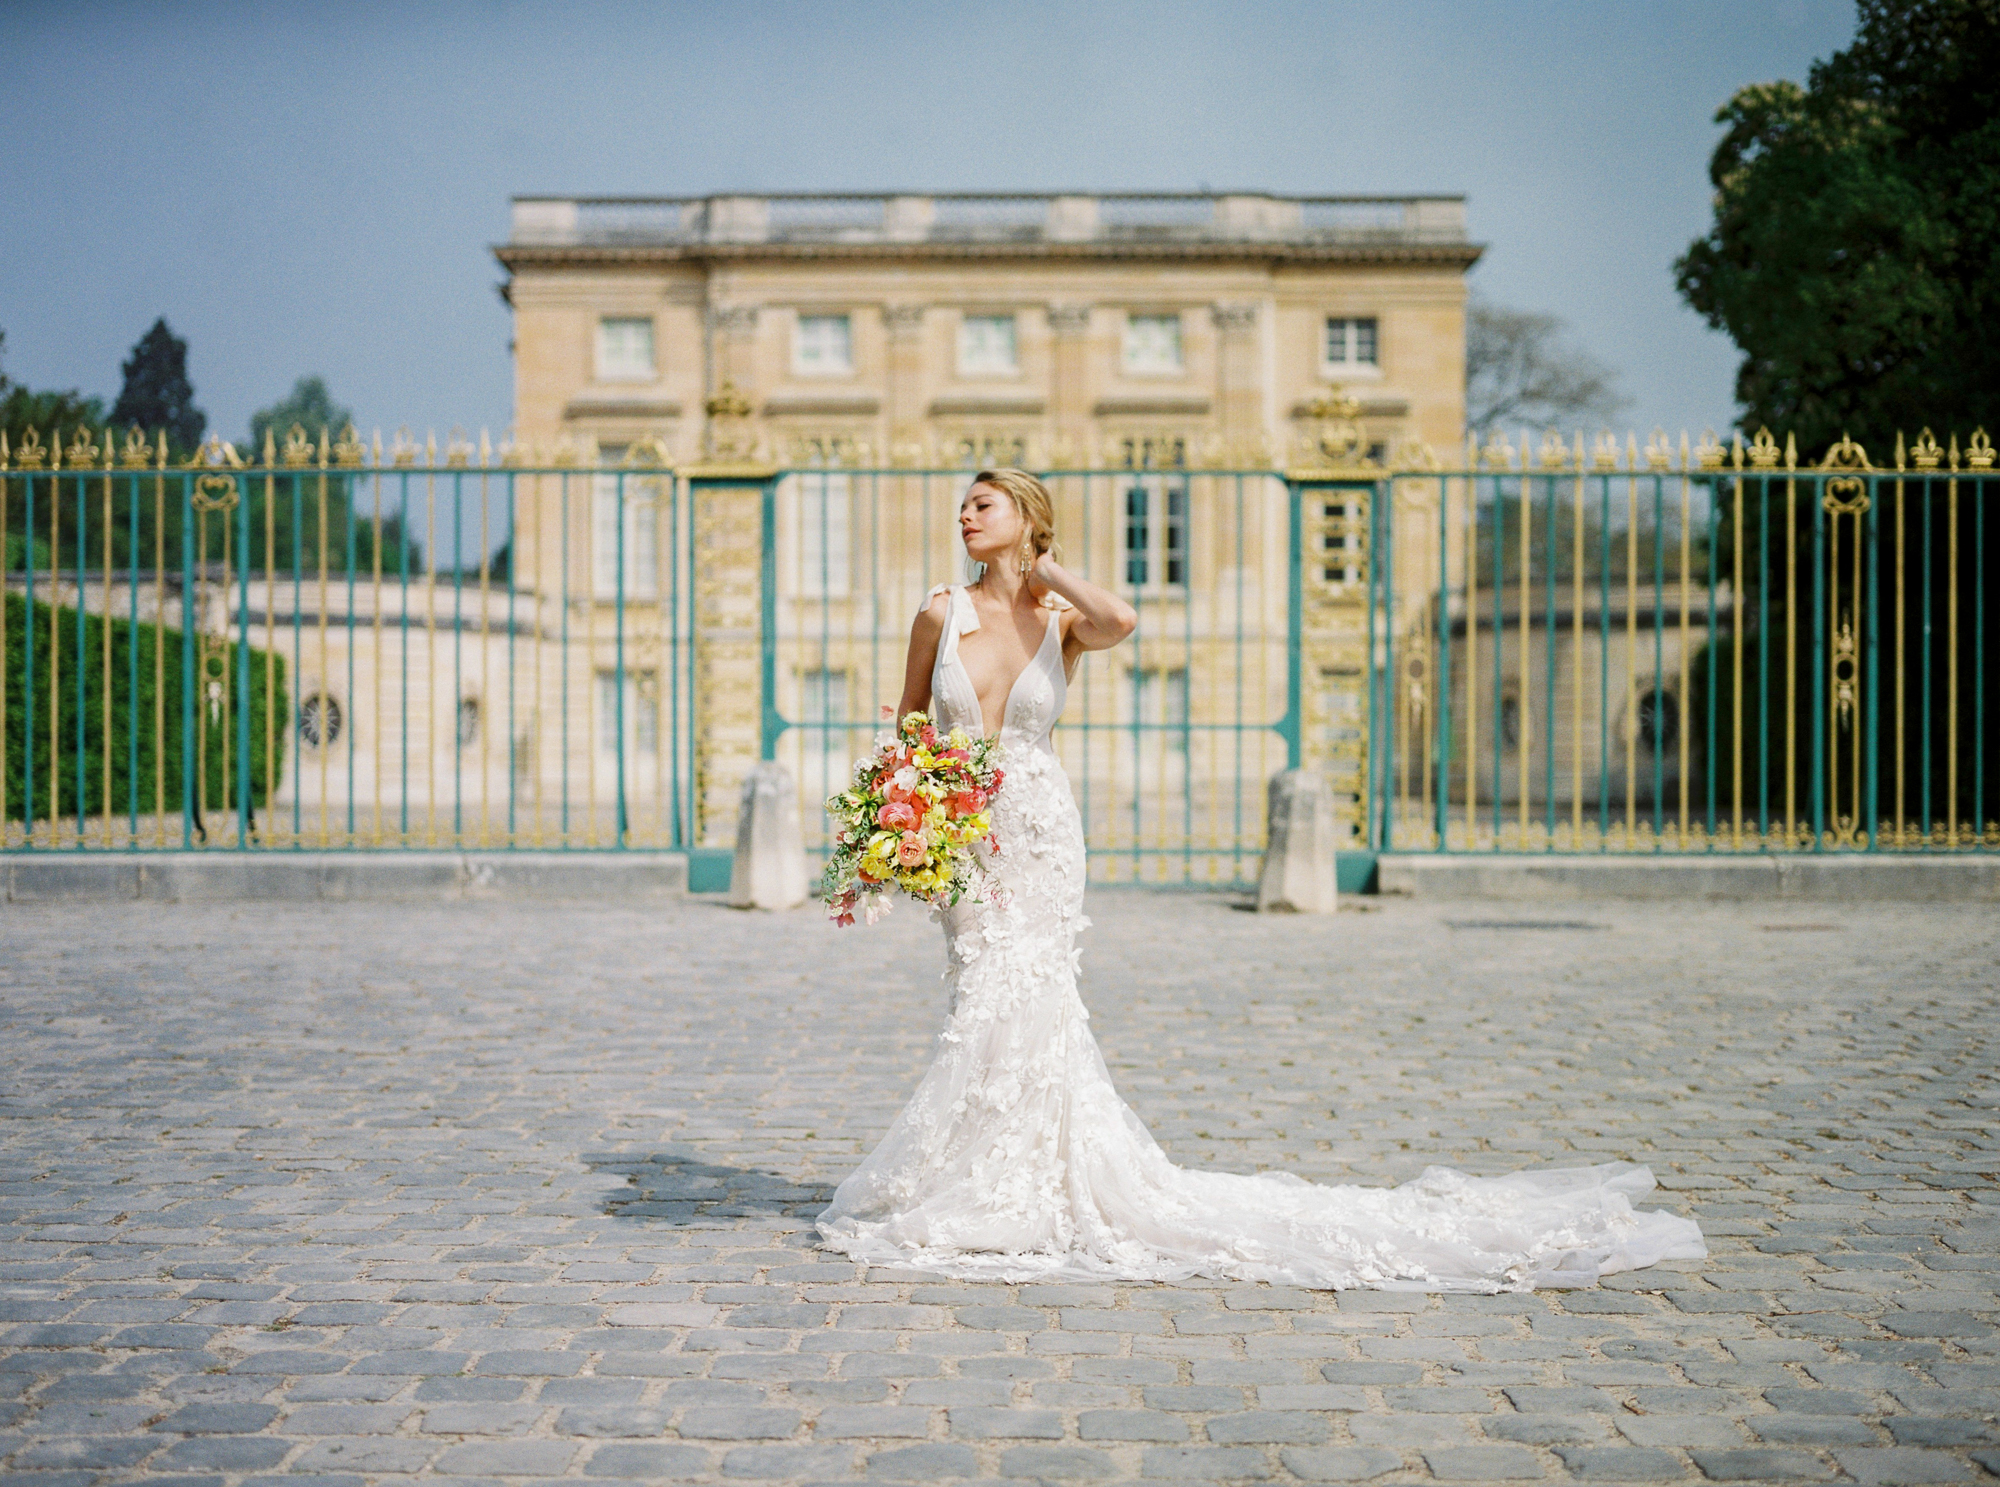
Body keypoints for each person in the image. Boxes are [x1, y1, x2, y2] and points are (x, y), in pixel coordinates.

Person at [816, 468, 1705, 1290]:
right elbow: (906, 723)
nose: (966, 516)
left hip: (1045, 830)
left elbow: (1124, 622)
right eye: (963, 507)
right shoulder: (939, 614)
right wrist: (905, 819)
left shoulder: (1061, 620)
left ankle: (1031, 1177)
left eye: (986, 504)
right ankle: (983, 1170)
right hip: (967, 826)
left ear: (1025, 520)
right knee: (986, 989)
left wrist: (1048, 571)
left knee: (1039, 990)